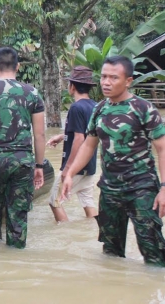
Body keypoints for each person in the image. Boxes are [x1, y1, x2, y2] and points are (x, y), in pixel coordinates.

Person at [62, 56, 165, 266]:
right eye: (103, 77)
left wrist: (164, 187)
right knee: (110, 253)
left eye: (113, 78)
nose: (106, 82)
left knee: (153, 251)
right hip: (109, 190)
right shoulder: (99, 109)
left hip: (142, 188)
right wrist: (70, 174)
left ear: (128, 81)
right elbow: (89, 145)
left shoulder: (143, 109)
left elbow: (162, 148)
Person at [0, 47, 45, 249]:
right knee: (18, 215)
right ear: (18, 67)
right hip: (22, 162)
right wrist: (39, 165)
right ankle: (16, 253)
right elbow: (39, 134)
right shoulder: (32, 93)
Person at [46, 66, 98, 222]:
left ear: (72, 86)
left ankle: (64, 232)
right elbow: (88, 133)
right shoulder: (94, 106)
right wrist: (62, 136)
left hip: (76, 167)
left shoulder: (76, 108)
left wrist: (67, 169)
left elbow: (79, 138)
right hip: (90, 165)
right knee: (88, 201)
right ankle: (94, 229)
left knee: (54, 201)